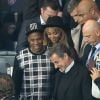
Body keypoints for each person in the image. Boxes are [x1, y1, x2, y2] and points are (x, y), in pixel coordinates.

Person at [12, 23, 56, 100]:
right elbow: (16, 82)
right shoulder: (20, 56)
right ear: (28, 40)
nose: (36, 43)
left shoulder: (52, 53)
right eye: (32, 40)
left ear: (43, 38)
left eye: (39, 39)